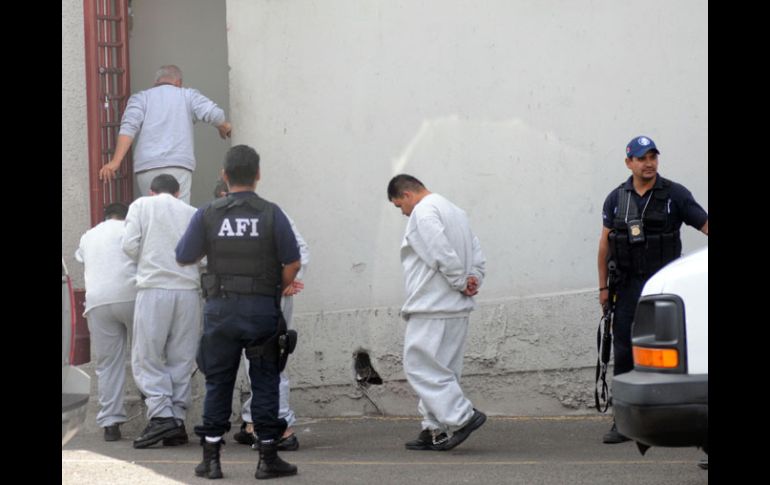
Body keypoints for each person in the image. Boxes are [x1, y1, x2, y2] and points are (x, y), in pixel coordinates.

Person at [176, 145, 301, 480]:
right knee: (265, 383)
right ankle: (267, 459)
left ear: (224, 175)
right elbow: (293, 261)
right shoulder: (273, 213)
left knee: (218, 382)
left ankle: (212, 460)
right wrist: (277, 289)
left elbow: (184, 256)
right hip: (261, 311)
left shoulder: (208, 213)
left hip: (221, 310)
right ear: (258, 175)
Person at [598, 135, 708, 443]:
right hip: (628, 286)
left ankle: (673, 419)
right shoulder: (616, 199)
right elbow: (604, 245)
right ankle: (623, 423)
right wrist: (603, 289)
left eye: (653, 157)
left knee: (673, 356)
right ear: (629, 162)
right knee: (623, 351)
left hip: (664, 289)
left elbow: (705, 224)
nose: (649, 163)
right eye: (642, 158)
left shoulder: (675, 194)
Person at [387, 174, 487, 452]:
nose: (403, 212)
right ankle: (435, 429)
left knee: (420, 367)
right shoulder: (456, 211)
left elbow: (439, 249)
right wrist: (472, 279)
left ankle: (461, 417)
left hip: (432, 303)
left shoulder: (423, 211)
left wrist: (458, 280)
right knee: (444, 370)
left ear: (406, 195)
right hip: (456, 305)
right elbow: (476, 252)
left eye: (399, 206)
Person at [122, 174, 202, 449]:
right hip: (188, 291)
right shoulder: (193, 212)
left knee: (147, 355)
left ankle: (161, 415)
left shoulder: (141, 206)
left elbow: (129, 245)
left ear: (152, 191)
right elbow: (202, 255)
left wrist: (149, 258)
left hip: (154, 287)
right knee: (182, 356)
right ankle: (176, 420)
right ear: (178, 192)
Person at [98, 65, 233, 203]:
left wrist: (115, 162)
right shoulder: (188, 95)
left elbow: (128, 128)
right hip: (178, 166)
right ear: (178, 83)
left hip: (147, 167)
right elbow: (215, 114)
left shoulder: (141, 98)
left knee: (153, 214)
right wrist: (222, 126)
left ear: (156, 82)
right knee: (178, 215)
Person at [233, 213, 310, 452]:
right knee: (263, 359)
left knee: (265, 360)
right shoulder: (272, 212)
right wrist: (289, 279)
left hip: (256, 297)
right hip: (268, 293)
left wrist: (288, 280)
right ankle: (252, 422)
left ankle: (281, 427)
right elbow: (300, 249)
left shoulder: (223, 218)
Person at [74, 202, 137, 442]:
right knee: (145, 357)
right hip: (131, 296)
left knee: (108, 364)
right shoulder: (131, 229)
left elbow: (80, 257)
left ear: (104, 216)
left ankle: (111, 423)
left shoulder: (89, 235)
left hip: (98, 302)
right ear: (127, 216)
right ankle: (159, 418)